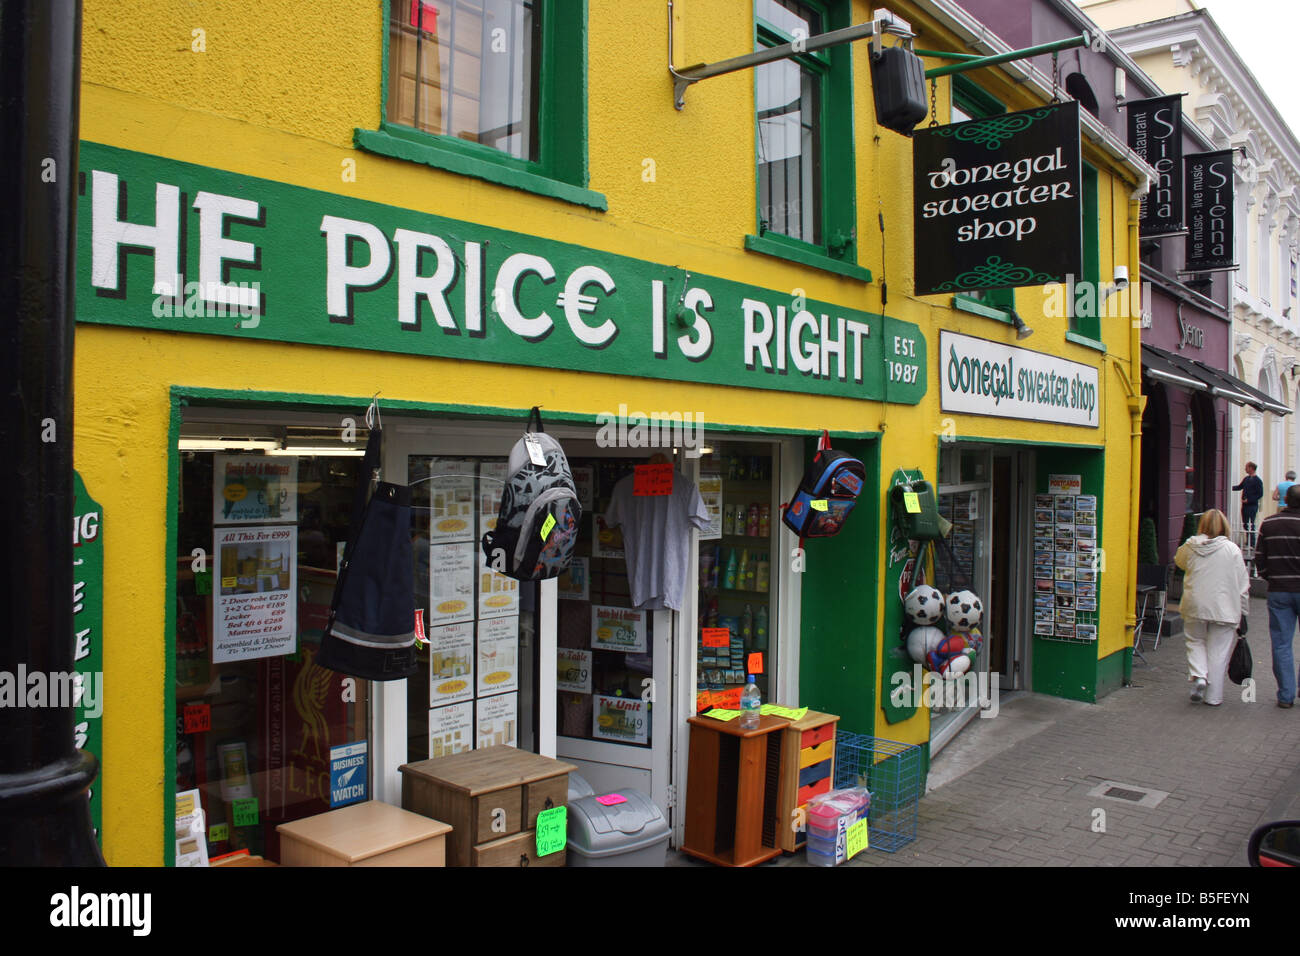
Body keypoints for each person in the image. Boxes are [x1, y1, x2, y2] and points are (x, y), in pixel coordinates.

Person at [1175, 509, 1249, 706]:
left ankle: (1199, 675)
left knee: (1195, 641)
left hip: (1195, 604)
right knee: (1218, 651)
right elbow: (1243, 584)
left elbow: (1179, 562)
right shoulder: (1232, 549)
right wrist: (1244, 612)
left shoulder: (1190, 545)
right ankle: (1213, 697)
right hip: (1225, 607)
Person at [1254, 483, 1300, 708]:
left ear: (1285, 499)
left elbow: (1259, 557)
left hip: (1279, 590)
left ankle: (1286, 695)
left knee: (1281, 644)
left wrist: (1268, 577)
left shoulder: (1269, 523)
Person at [1233, 462, 1264, 548]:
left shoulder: (1258, 481)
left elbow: (1260, 494)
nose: (1245, 469)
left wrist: (1249, 500)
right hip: (1245, 505)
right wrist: (1230, 487)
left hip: (1252, 505)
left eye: (1246, 467)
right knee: (1245, 523)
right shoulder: (1246, 479)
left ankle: (1252, 543)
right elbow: (1240, 487)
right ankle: (1248, 541)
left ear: (1251, 468)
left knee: (1251, 524)